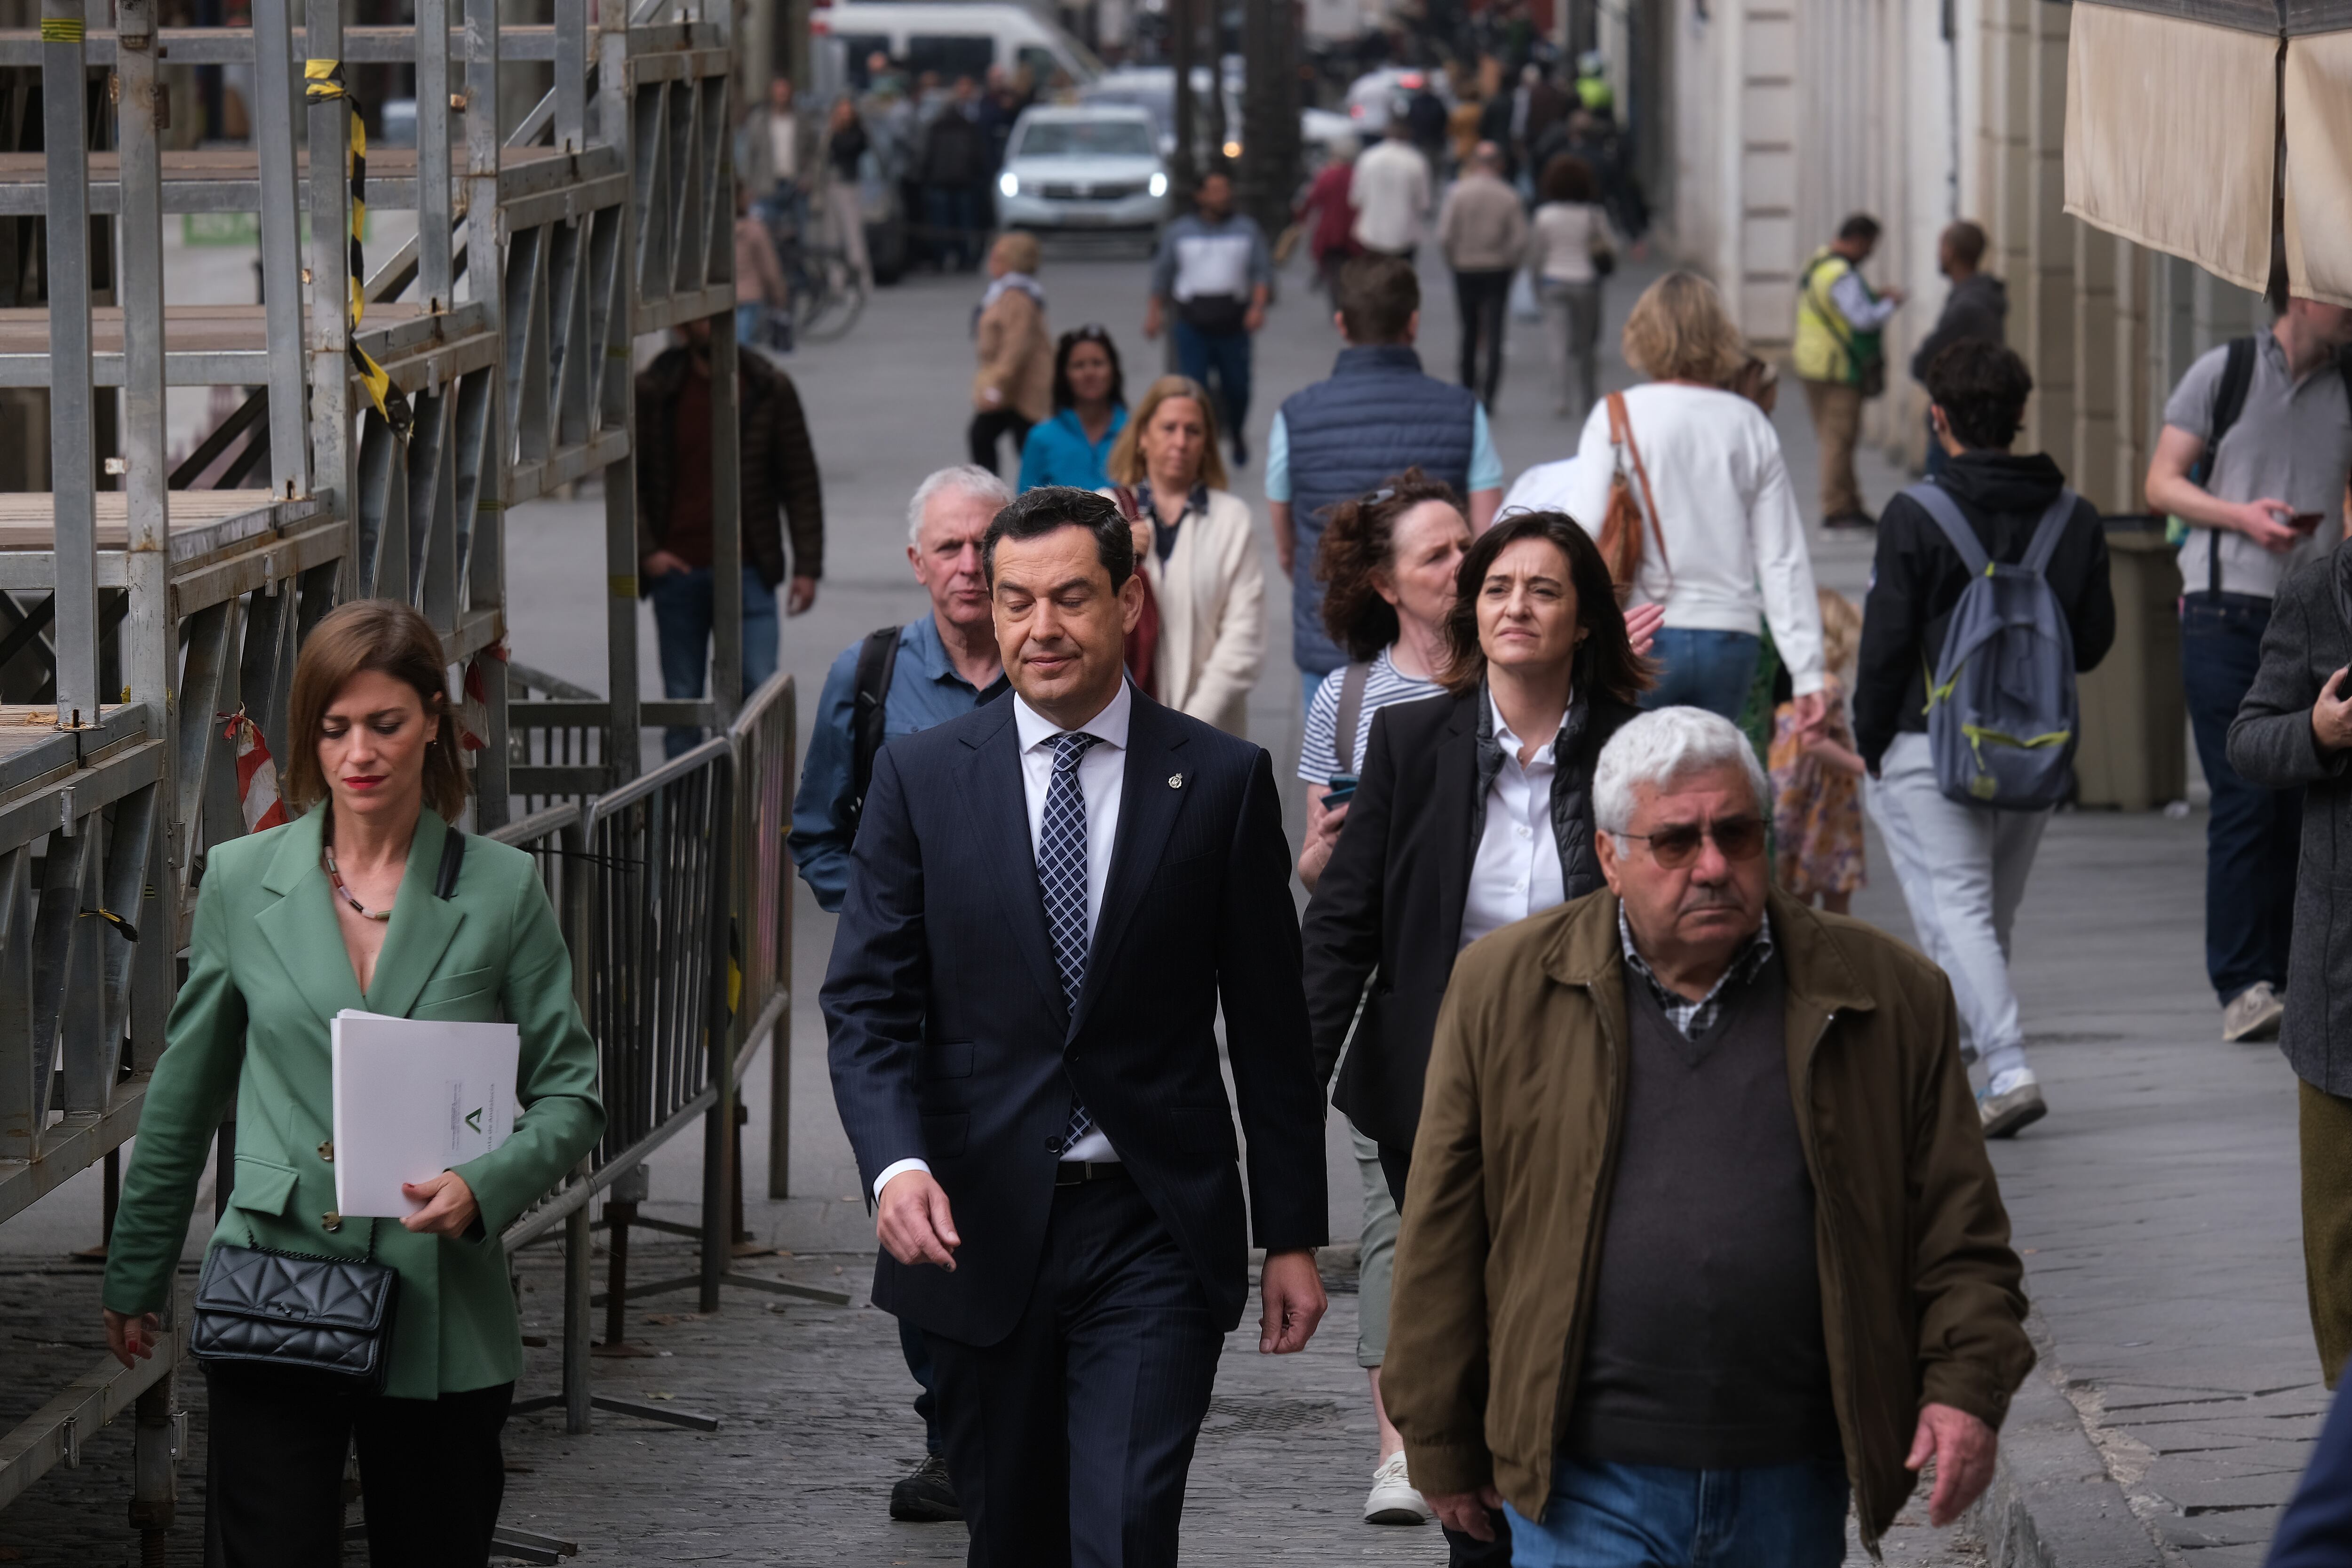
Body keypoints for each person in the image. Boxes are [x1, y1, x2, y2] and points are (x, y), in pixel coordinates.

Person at [1383, 704, 2034, 1565]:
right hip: (1581, 1480)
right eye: (1676, 841)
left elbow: (1963, 1236)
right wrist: (1435, 1433)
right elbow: (1442, 1234)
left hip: (1790, 1477)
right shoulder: (1504, 988)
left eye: (1737, 833)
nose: (1714, 866)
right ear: (1611, 855)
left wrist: (1964, 1392)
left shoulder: (1889, 996)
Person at [822, 486, 1329, 1566]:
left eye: (1068, 599)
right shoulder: (920, 781)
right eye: (1015, 603)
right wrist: (893, 1165)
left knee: (1126, 1532)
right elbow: (864, 1002)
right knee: (1012, 1539)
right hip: (974, 1226)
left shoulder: (1221, 782)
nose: (1039, 629)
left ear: (1128, 599)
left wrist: (1290, 1232)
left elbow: (1273, 1026)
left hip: (1151, 1223)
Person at [101, 599, 605, 1567]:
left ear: (433, 722)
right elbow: (185, 1089)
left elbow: (571, 1093)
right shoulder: (245, 880)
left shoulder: (501, 889)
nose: (359, 752)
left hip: (444, 1307)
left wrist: (485, 1185)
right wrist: (137, 1268)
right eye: (334, 728)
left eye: (384, 722)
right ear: (308, 735)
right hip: (276, 1286)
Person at [1302, 512, 1652, 1565]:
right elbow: (1342, 931)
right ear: (1471, 613)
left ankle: (1584, 1516)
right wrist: (1280, 1106)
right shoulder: (1412, 743)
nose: (1514, 607)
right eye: (1497, 588)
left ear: (1583, 618)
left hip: (1606, 1093)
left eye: (1543, 590)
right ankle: (1482, 1530)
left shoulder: (1637, 749)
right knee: (1475, 1327)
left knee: (1585, 1322)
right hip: (1443, 1099)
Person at [790, 464, 1014, 1523]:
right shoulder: (871, 673)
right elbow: (816, 832)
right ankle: (949, 1432)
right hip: (912, 1010)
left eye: (988, 544)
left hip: (1025, 1008)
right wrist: (884, 911)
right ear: (917, 561)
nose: (971, 566)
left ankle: (1010, 1424)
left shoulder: (1049, 663)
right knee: (918, 1208)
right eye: (953, 548)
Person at [1855, 340, 2116, 1138]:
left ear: (1939, 419)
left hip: (1928, 745)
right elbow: (2095, 639)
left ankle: (2006, 1064)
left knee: (1958, 907)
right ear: (2021, 416)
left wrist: (1870, 739)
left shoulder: (1914, 515)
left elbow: (1888, 640)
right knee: (1984, 916)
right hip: (2033, 750)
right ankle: (1960, 1051)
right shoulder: (2075, 518)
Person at [2146, 294, 2352, 1044]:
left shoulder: (2347, 386)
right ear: (2301, 293)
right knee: (2243, 797)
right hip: (2224, 609)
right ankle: (2243, 984)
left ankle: (2298, 975)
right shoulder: (2223, 371)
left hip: (2318, 618)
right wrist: (2243, 515)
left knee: (2309, 799)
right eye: (2343, 287)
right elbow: (2160, 482)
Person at [1560, 271, 1828, 728]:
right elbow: (1780, 557)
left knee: (1637, 785)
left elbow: (1579, 533)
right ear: (1720, 335)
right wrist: (1806, 671)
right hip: (1730, 634)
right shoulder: (1748, 423)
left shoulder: (1614, 415)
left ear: (1643, 333)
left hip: (1640, 631)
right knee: (1710, 788)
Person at [2227, 437, 2352, 1388]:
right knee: (2340, 1242)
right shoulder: (2319, 597)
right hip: (2339, 977)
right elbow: (2247, 740)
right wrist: (2314, 731)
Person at [1269, 255, 1504, 713]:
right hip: (1437, 648)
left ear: (1341, 323)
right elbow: (1487, 539)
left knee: (1336, 769)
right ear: (1412, 323)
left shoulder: (1295, 415)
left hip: (1330, 643)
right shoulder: (1462, 410)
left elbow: (1286, 548)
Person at [637, 314, 823, 758]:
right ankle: (683, 818)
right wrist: (648, 553)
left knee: (759, 697)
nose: (710, 323)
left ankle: (754, 819)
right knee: (683, 703)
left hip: (748, 570)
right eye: (699, 316)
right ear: (680, 326)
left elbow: (799, 480)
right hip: (679, 572)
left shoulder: (767, 387)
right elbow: (632, 481)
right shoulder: (655, 390)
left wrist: (807, 567)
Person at [1102, 374, 1266, 735]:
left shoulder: (1231, 519)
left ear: (1207, 443)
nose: (1180, 441)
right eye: (1169, 428)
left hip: (1212, 732)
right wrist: (1118, 553)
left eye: (1193, 431)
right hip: (1118, 730)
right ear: (1143, 436)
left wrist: (1190, 726)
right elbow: (1081, 606)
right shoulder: (1104, 509)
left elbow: (1243, 637)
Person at [1143, 170, 1272, 468]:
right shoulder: (1180, 232)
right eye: (1214, 190)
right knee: (1193, 388)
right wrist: (1154, 314)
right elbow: (1162, 276)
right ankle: (1201, 448)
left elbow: (1261, 273)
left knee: (1237, 388)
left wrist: (1257, 307)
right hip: (1192, 324)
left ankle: (1236, 430)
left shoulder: (1246, 230)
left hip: (1233, 323)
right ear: (1200, 196)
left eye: (1225, 189)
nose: (1221, 196)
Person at [1795, 212, 1906, 528]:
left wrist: (1873, 294)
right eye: (1870, 246)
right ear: (1858, 240)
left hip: (1812, 364)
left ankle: (1849, 502)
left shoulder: (1818, 262)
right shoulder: (1842, 275)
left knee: (1833, 438)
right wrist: (1891, 304)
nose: (1870, 253)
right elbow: (1863, 319)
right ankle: (1837, 509)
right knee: (1839, 440)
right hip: (1838, 369)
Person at [1769, 587, 1866, 915]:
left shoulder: (1791, 690)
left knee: (1798, 891)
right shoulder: (1826, 685)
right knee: (1835, 892)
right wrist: (1858, 764)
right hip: (1824, 803)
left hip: (1794, 800)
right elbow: (1813, 740)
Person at [1908, 220, 2005, 479]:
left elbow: (1923, 362)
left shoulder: (1967, 306)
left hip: (1958, 425)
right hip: (1973, 421)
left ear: (1950, 251)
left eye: (1941, 247)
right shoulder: (1980, 298)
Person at [1437, 141, 1527, 409]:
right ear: (1499, 164)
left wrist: (1453, 259)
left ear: (1475, 163)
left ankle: (1467, 386)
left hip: (1465, 266)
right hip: (1497, 267)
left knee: (1469, 328)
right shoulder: (1509, 195)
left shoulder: (1459, 193)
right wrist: (1512, 262)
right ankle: (1490, 394)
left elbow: (1444, 235)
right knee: (1496, 330)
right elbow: (1521, 239)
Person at [1527, 153, 1616, 425]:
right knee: (1587, 344)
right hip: (1587, 283)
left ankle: (1562, 398)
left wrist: (1536, 284)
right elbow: (1611, 248)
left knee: (1559, 342)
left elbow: (1536, 254)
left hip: (1554, 281)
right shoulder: (1594, 214)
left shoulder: (1545, 216)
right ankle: (1589, 397)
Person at [968, 231, 1052, 477]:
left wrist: (997, 385)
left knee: (987, 436)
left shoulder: (1016, 297)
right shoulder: (1005, 292)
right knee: (1016, 442)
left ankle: (998, 496)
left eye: (998, 258)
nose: (991, 263)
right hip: (1012, 384)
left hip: (1019, 386)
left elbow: (1016, 347)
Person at [1019, 326, 1128, 492]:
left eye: (1098, 364)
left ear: (1113, 371)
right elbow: (1023, 508)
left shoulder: (1137, 433)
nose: (1089, 373)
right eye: (1079, 366)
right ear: (1064, 376)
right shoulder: (1041, 438)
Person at [920, 77, 990, 271]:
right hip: (963, 181)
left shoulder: (937, 128)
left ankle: (941, 259)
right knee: (963, 223)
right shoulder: (968, 128)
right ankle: (964, 258)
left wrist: (926, 177)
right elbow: (978, 156)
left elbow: (926, 156)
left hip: (942, 181)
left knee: (942, 224)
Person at [1350, 113, 1432, 259]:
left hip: (1372, 233)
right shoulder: (1417, 161)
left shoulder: (1368, 158)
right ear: (1409, 133)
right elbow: (1423, 203)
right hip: (1404, 234)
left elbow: (1356, 198)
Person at [1295, 133, 1363, 296]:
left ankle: (1337, 301)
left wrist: (1301, 218)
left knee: (1333, 267)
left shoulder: (1326, 175)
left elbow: (1311, 199)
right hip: (1353, 229)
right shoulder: (1357, 176)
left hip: (1330, 229)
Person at [819, 94, 874, 290]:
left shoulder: (856, 134)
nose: (843, 116)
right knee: (832, 237)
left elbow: (848, 148)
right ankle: (836, 280)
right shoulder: (829, 131)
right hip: (830, 186)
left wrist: (837, 130)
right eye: (840, 112)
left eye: (847, 112)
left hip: (849, 186)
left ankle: (862, 279)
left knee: (854, 236)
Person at [735, 185, 789, 349]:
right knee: (744, 341)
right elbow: (769, 268)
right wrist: (778, 295)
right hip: (750, 295)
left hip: (726, 295)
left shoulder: (717, 229)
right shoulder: (754, 230)